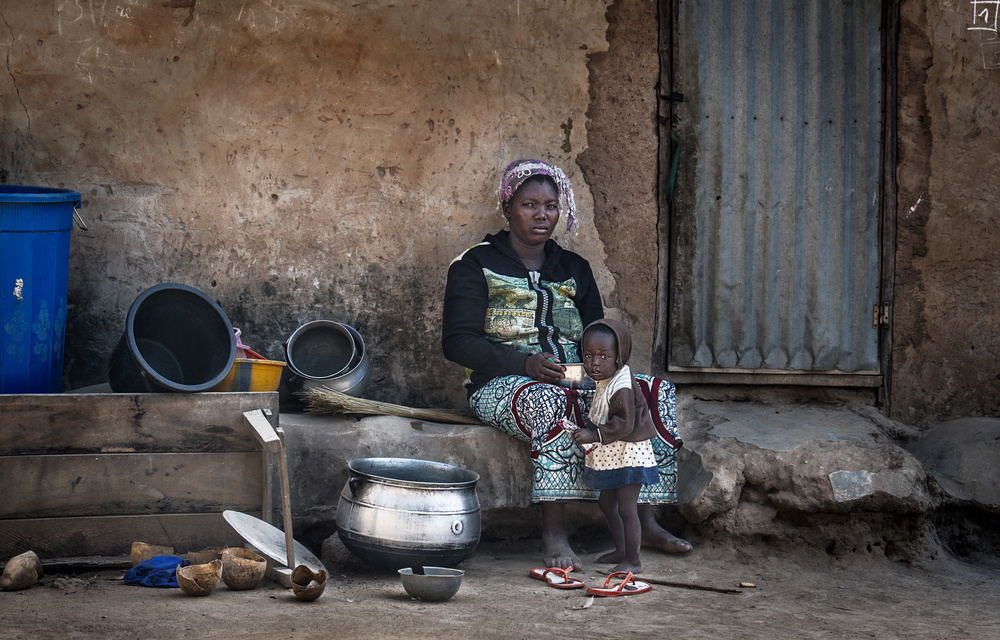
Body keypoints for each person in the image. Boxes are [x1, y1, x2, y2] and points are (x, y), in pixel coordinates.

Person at [442, 158, 691, 571]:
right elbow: (457, 343)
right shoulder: (475, 265)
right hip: (503, 383)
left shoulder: (574, 268)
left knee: (651, 391)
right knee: (548, 400)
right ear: (507, 208)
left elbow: (599, 331)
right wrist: (522, 362)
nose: (542, 215)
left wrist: (610, 372)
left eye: (551, 206)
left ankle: (646, 519)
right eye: (529, 205)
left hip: (580, 377)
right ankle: (555, 532)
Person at [570, 319, 658, 574]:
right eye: (588, 356)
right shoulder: (607, 379)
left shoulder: (623, 384)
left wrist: (593, 434)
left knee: (627, 508)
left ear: (619, 357)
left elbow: (624, 423)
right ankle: (622, 550)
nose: (594, 363)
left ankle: (634, 561)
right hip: (615, 453)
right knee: (607, 504)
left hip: (630, 453)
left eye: (603, 356)